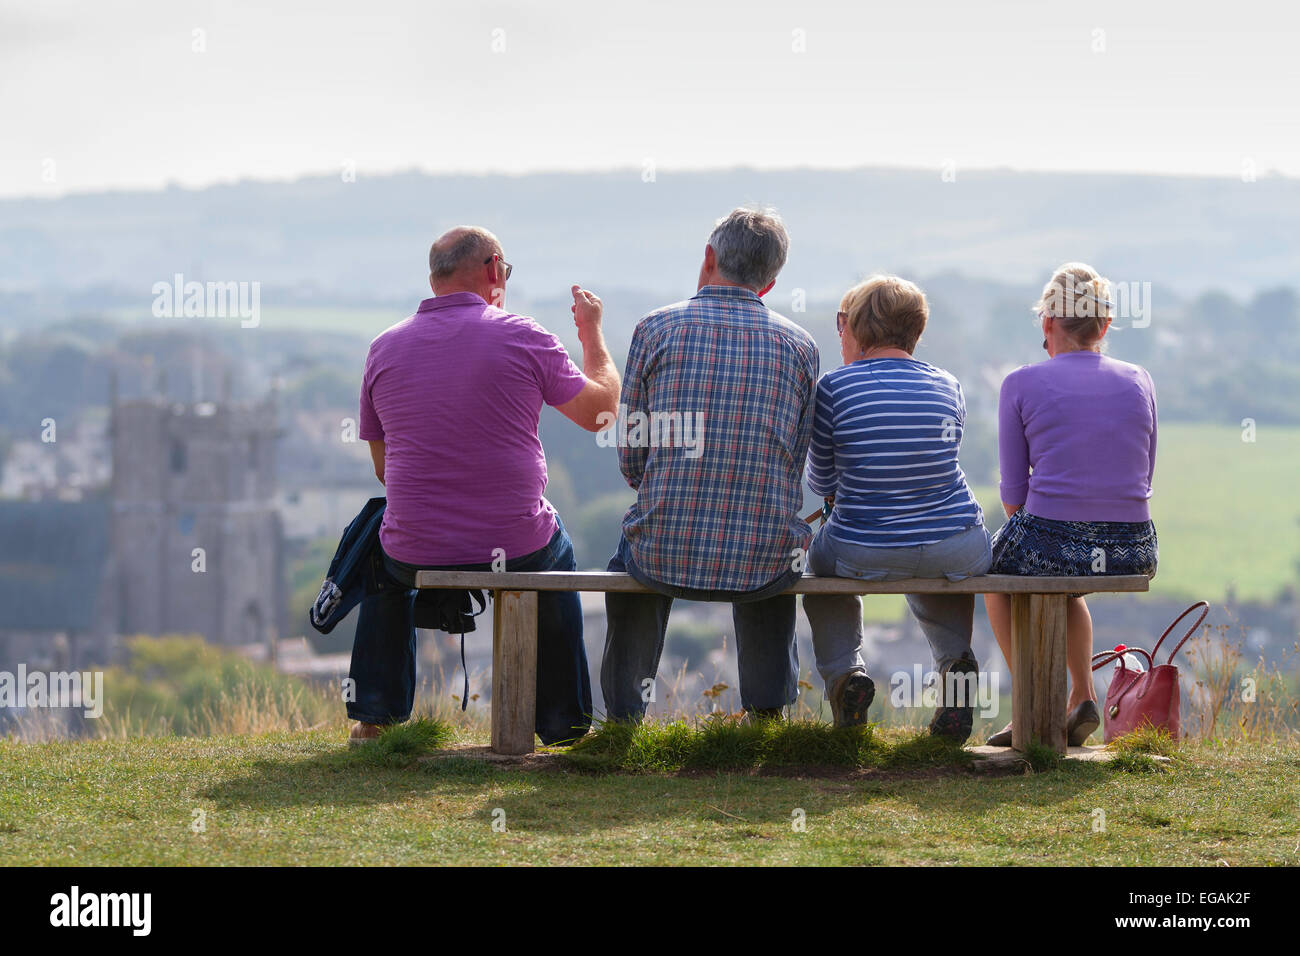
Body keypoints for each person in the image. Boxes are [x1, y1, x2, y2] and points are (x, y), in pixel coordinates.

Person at [347, 226, 620, 746]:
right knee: (554, 547)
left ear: (434, 280)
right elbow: (602, 414)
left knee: (381, 544)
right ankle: (564, 725)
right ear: (494, 269)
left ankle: (374, 718)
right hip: (514, 547)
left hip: (415, 549)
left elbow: (383, 470)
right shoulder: (524, 335)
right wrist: (591, 334)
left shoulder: (383, 349)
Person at [601, 206, 820, 722]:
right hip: (762, 558)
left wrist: (660, 483)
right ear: (771, 281)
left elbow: (633, 456)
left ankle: (624, 717)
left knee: (631, 551)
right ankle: (767, 715)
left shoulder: (654, 329)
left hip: (663, 551)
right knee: (778, 543)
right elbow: (795, 459)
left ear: (709, 258)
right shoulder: (801, 346)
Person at [801, 276, 990, 742]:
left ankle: (847, 675)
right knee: (939, 565)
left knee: (820, 577)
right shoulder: (948, 383)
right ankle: (954, 668)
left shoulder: (833, 388)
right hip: (958, 544)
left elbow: (821, 480)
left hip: (862, 549)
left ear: (858, 326)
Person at [983, 262, 1158, 747]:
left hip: (1051, 537)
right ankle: (1082, 694)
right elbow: (1144, 475)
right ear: (1104, 326)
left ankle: (1033, 702)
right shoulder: (1140, 379)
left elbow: (1014, 496)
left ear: (1046, 323)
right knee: (1067, 581)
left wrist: (1047, 529)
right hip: (1133, 545)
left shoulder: (1020, 383)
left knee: (995, 581)